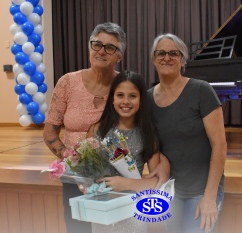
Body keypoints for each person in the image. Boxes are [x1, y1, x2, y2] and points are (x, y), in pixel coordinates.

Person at [43, 22, 169, 233]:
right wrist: (78, 166)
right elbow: (49, 134)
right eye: (97, 44)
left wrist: (162, 168)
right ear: (89, 46)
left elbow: (146, 134)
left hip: (119, 185)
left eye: (110, 47)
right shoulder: (67, 83)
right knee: (78, 229)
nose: (101, 51)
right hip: (77, 180)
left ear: (119, 55)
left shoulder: (124, 86)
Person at [147, 33, 227, 233]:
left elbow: (220, 145)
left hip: (201, 190)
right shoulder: (147, 98)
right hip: (171, 189)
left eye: (174, 53)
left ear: (183, 60)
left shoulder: (201, 90)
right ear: (154, 59)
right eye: (161, 53)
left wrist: (209, 197)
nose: (167, 57)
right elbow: (150, 142)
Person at [86, 70, 166, 233]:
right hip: (102, 210)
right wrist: (86, 184)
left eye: (132, 96)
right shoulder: (97, 130)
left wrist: (127, 184)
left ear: (141, 100)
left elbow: (156, 183)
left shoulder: (148, 134)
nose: (126, 101)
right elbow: (86, 172)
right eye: (120, 95)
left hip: (132, 211)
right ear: (112, 99)